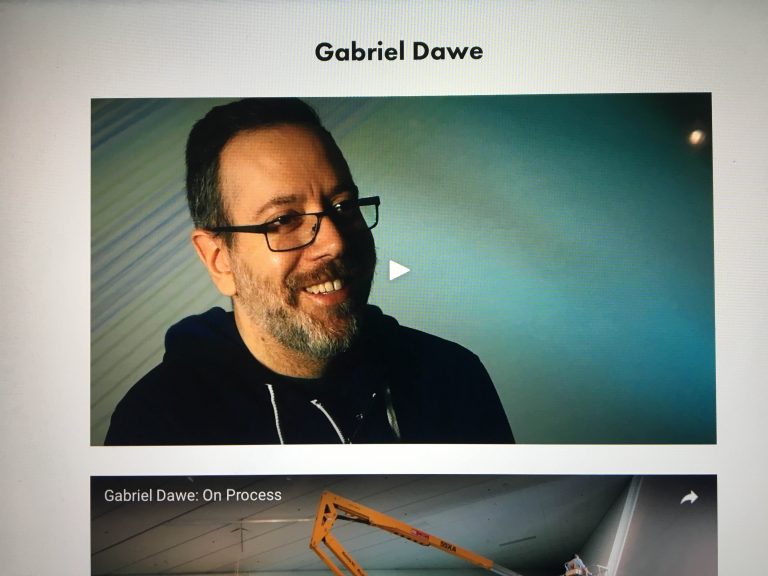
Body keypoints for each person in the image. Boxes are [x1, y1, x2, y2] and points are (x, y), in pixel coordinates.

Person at [105, 98, 514, 445]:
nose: (335, 242)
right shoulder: (157, 425)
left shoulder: (454, 378)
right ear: (219, 259)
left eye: (343, 205)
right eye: (282, 220)